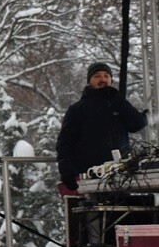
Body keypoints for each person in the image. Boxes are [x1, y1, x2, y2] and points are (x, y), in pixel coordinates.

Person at [56, 61, 148, 193]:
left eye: (106, 76)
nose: (102, 79)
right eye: (97, 76)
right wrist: (68, 173)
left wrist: (120, 101)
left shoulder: (118, 103)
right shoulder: (77, 109)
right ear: (89, 81)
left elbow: (136, 124)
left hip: (122, 175)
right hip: (90, 176)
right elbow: (65, 143)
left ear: (111, 79)